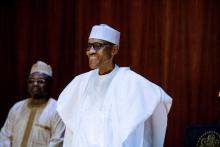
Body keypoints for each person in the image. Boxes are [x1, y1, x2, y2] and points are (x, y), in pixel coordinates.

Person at [57, 24, 172, 147]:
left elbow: (161, 99)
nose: (91, 51)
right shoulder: (80, 82)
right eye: (89, 46)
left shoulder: (131, 81)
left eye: (97, 46)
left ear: (114, 50)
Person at [0, 61, 65, 147]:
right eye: (31, 81)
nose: (35, 84)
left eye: (40, 81)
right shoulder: (17, 107)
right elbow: (5, 137)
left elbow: (57, 142)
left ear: (49, 84)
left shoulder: (57, 110)